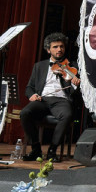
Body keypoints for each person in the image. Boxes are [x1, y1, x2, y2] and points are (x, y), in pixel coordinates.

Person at [20, 33, 80, 161]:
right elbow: (29, 87)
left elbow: (75, 92)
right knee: (25, 113)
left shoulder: (72, 66)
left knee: (67, 115)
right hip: (42, 99)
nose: (59, 49)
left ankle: (52, 150)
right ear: (48, 50)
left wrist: (75, 85)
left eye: (61, 46)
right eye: (55, 47)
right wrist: (32, 95)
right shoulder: (39, 66)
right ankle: (36, 149)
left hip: (61, 100)